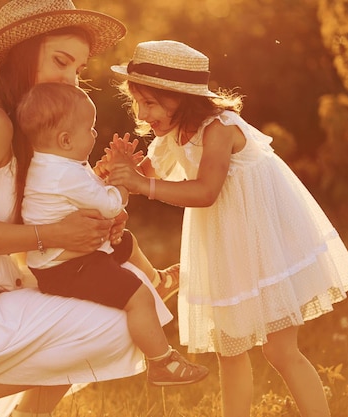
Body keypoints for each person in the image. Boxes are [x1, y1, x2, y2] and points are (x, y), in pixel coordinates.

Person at [0, 2, 178, 416]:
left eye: (78, 68)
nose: (71, 79)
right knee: (117, 323)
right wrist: (55, 235)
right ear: (21, 53)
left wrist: (98, 209)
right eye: (61, 61)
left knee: (128, 300)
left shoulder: (26, 128)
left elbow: (47, 203)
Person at [104, 40, 348, 417]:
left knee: (279, 349)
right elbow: (146, 177)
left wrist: (142, 184)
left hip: (264, 235)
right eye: (138, 104)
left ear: (180, 97)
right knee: (230, 347)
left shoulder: (219, 128)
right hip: (226, 241)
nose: (142, 114)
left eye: (150, 103)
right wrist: (119, 173)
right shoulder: (168, 137)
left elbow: (206, 191)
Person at [17, 82, 209, 386]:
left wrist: (104, 173)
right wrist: (124, 180)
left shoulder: (53, 164)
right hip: (68, 269)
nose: (94, 135)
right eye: (89, 129)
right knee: (138, 297)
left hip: (64, 258)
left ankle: (158, 280)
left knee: (125, 242)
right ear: (66, 139)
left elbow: (84, 189)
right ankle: (162, 362)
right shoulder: (64, 173)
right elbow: (108, 206)